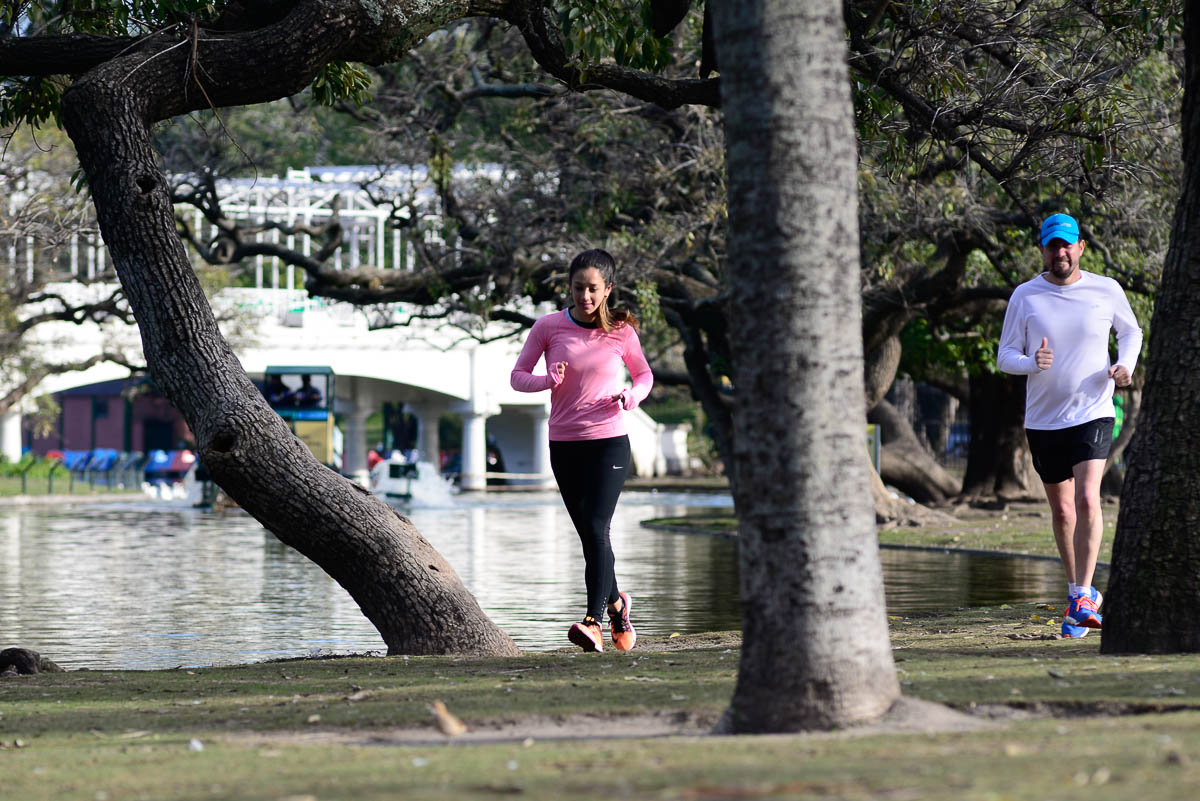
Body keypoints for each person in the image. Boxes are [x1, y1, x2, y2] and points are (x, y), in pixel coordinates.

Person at [997, 213, 1143, 639]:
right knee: (1061, 512)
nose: (1059, 253)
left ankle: (1082, 594)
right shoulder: (1025, 296)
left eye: (1066, 245)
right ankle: (1077, 595)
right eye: (1051, 246)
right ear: (1042, 250)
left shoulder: (1106, 289)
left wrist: (1124, 365)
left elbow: (1131, 332)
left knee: (1085, 499)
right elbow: (1004, 355)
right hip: (1043, 420)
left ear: (1080, 247)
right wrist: (1030, 363)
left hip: (1094, 410)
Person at [510, 249, 653, 652]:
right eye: (578, 288)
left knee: (596, 528)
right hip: (564, 444)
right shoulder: (548, 327)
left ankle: (592, 622)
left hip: (608, 440)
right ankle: (617, 603)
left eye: (593, 289)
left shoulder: (622, 331)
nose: (584, 296)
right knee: (591, 537)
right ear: (568, 287)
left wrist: (632, 396)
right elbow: (517, 377)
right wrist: (546, 380)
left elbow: (644, 374)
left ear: (608, 289)